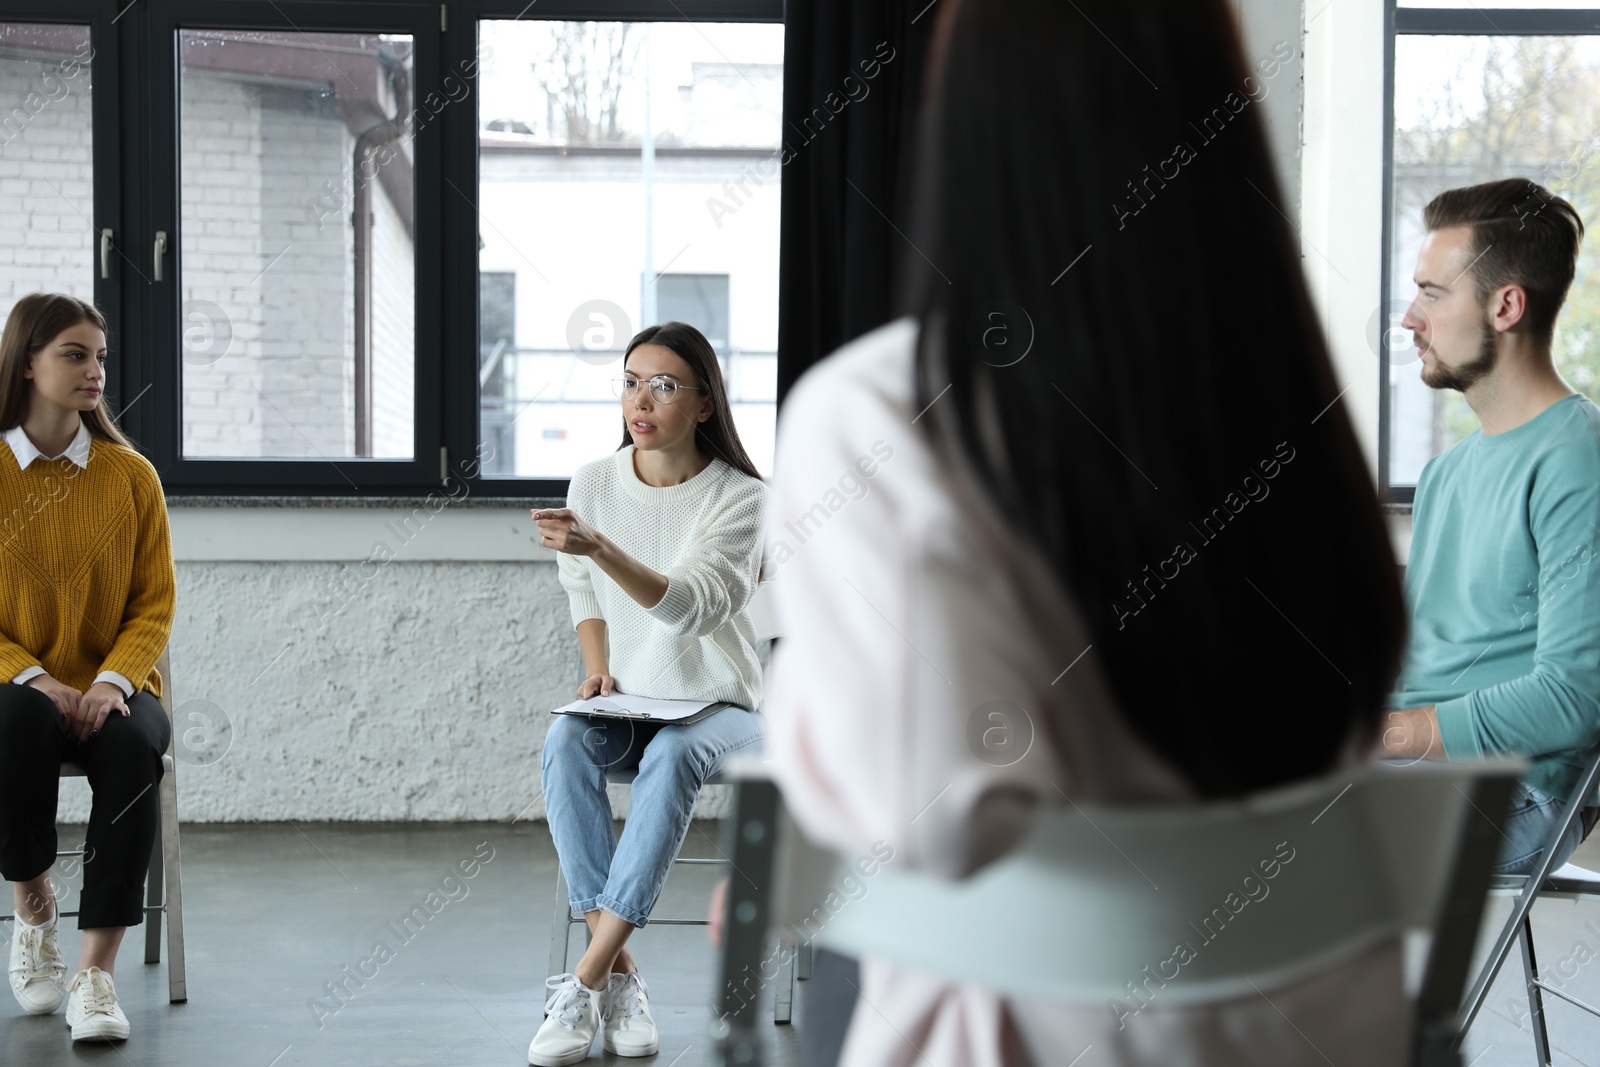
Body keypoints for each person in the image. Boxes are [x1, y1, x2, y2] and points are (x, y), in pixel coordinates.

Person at [760, 0, 1410, 1063]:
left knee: (839, 964)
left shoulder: (880, 414)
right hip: (1330, 1032)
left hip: (1047, 1036)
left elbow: (939, 813)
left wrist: (799, 703)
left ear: (967, 127)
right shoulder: (1289, 404)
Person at [528, 321, 767, 1066]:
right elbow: (582, 589)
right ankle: (624, 976)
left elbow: (690, 606)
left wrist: (600, 543)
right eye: (632, 380)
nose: (642, 399)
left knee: (671, 758)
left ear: (703, 404)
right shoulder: (595, 481)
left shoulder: (743, 497)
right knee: (566, 737)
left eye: (664, 384)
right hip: (632, 700)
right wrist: (598, 668)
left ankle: (585, 976)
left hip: (723, 706)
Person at [1382, 179, 1600, 874]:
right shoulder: (1448, 474)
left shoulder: (1578, 460)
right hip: (1415, 771)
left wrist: (1388, 734)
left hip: (1516, 791)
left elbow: (1575, 697)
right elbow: (1425, 662)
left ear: (1506, 305)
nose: (1410, 317)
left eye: (1432, 293)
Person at [0, 292, 175, 1043]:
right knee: (17, 717)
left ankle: (95, 974)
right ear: (27, 362)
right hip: (14, 693)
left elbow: (153, 605)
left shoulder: (130, 476)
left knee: (137, 745)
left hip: (115, 689)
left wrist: (110, 681)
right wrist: (34, 676)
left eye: (100, 356)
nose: (94, 369)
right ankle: (34, 904)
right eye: (75, 354)